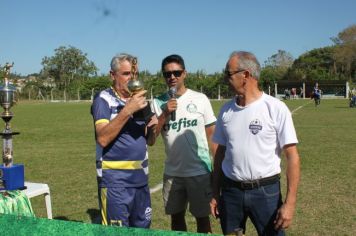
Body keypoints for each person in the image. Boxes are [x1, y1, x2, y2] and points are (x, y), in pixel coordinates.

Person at [210, 51, 300, 235]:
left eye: (229, 73)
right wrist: (215, 193)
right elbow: (220, 153)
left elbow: (292, 157)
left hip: (266, 192)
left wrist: (289, 204)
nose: (226, 78)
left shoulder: (276, 108)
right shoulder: (226, 110)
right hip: (231, 192)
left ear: (245, 75)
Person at [151, 54, 217, 233]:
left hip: (199, 171)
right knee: (176, 219)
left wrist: (217, 171)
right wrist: (164, 114)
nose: (172, 77)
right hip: (173, 173)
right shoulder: (157, 103)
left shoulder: (200, 99)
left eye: (176, 72)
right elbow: (150, 139)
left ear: (184, 73)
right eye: (167, 74)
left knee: (203, 220)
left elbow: (213, 137)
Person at [91, 53, 158, 228]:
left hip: (140, 180)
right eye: (126, 74)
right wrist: (128, 110)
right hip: (115, 182)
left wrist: (155, 126)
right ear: (113, 75)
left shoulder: (139, 100)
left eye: (134, 74)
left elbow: (150, 141)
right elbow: (103, 138)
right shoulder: (103, 100)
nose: (131, 79)